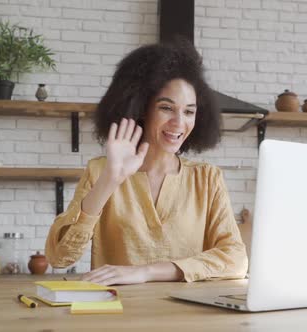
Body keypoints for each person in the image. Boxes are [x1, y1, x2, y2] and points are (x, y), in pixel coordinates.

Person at [45, 39, 248, 286]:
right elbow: (59, 257)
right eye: (166, 108)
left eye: (189, 112)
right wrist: (110, 180)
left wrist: (147, 271)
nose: (179, 122)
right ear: (142, 108)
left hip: (189, 318)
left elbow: (236, 259)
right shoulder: (101, 171)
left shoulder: (207, 178)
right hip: (119, 315)